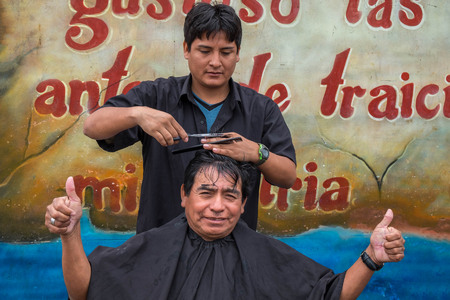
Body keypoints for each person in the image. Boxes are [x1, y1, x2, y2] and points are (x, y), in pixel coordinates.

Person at [45, 150, 405, 300]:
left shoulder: (265, 253)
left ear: (244, 203)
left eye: (230, 196)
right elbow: (85, 291)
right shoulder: (151, 246)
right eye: (206, 193)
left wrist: (372, 257)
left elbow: (331, 293)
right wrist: (70, 234)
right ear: (183, 195)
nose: (218, 207)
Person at [83, 2, 297, 233]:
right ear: (186, 49)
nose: (215, 62)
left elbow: (287, 176)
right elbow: (92, 126)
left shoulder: (260, 108)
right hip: (160, 246)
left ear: (237, 54)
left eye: (226, 52)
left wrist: (255, 152)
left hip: (233, 251)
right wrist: (137, 114)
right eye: (204, 51)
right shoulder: (156, 96)